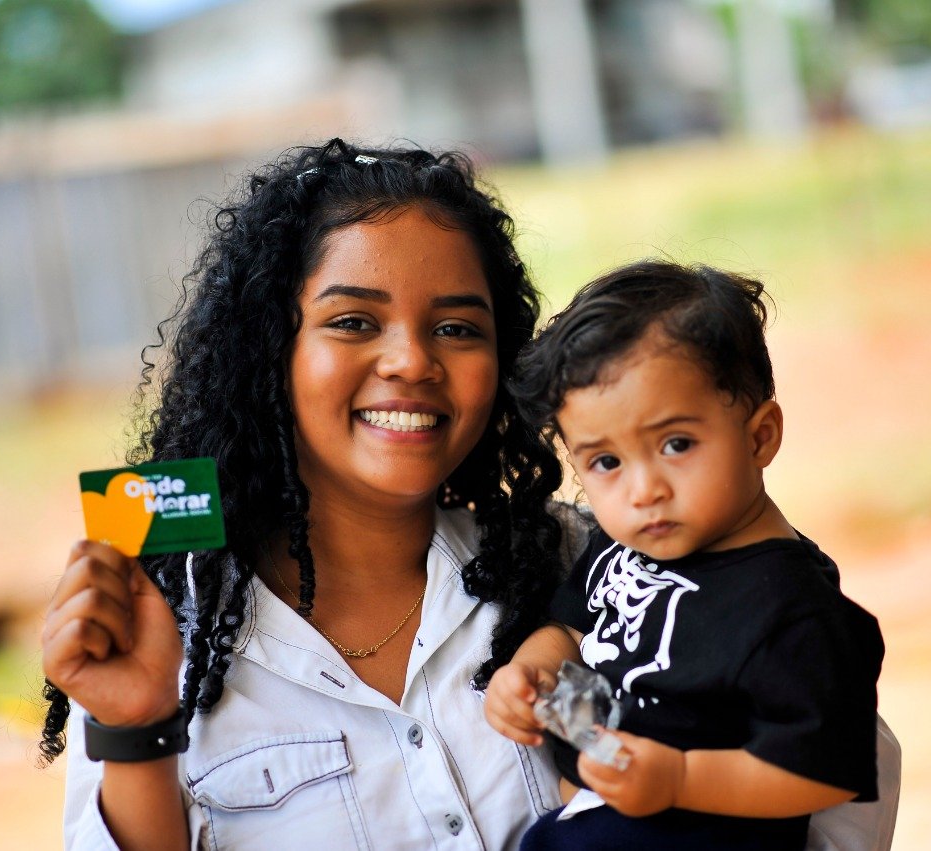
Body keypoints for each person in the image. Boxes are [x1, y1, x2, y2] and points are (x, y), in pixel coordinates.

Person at [39, 139, 578, 850]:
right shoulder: (162, 637)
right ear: (270, 351)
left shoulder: (582, 565)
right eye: (353, 321)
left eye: (456, 327)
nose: (412, 360)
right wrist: (138, 728)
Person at [487, 261, 887, 850]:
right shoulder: (622, 543)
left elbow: (821, 772)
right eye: (606, 462)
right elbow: (573, 630)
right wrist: (530, 670)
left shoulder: (794, 608)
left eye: (676, 445)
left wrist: (679, 779)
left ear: (759, 437)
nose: (643, 489)